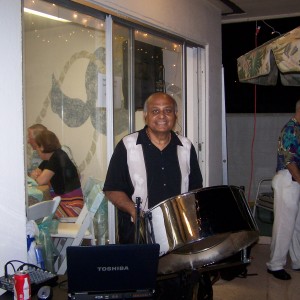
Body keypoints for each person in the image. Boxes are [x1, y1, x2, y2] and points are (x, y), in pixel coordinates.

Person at [103, 92, 212, 299]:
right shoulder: (127, 145)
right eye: (155, 111)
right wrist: (132, 210)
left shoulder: (186, 147)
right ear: (145, 115)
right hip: (138, 232)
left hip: (178, 234)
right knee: (141, 289)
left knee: (176, 287)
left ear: (175, 115)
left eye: (167, 110)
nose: (162, 116)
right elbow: (112, 188)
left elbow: (195, 189)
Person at [267, 99, 300, 280]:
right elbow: (289, 161)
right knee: (284, 225)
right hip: (288, 179)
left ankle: (297, 260)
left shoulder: (298, 129)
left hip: (294, 180)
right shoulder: (291, 129)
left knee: (296, 225)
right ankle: (275, 264)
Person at [30, 130, 84, 218]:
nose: (36, 150)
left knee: (37, 216)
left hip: (71, 207)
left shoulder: (57, 158)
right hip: (67, 202)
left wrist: (36, 176)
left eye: (37, 147)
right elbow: (36, 173)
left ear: (42, 147)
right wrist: (35, 175)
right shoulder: (52, 157)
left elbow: (40, 181)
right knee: (39, 212)